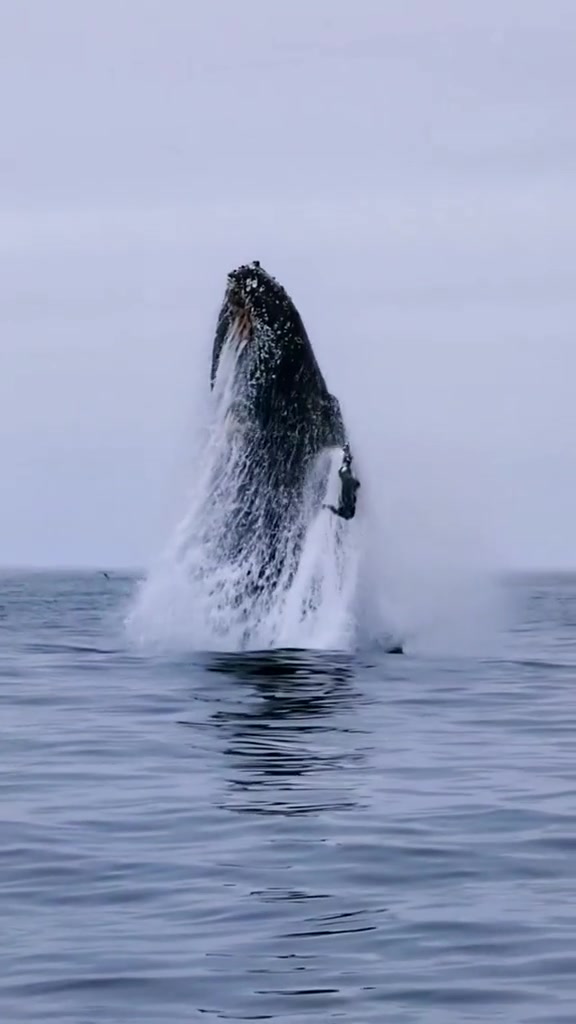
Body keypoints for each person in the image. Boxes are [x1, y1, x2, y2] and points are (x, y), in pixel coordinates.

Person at [323, 443, 360, 520]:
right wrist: (327, 506)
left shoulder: (350, 504)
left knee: (344, 470)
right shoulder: (347, 504)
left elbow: (336, 511)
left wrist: (327, 506)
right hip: (348, 481)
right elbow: (336, 511)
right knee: (343, 470)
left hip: (350, 482)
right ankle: (347, 454)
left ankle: (347, 454)